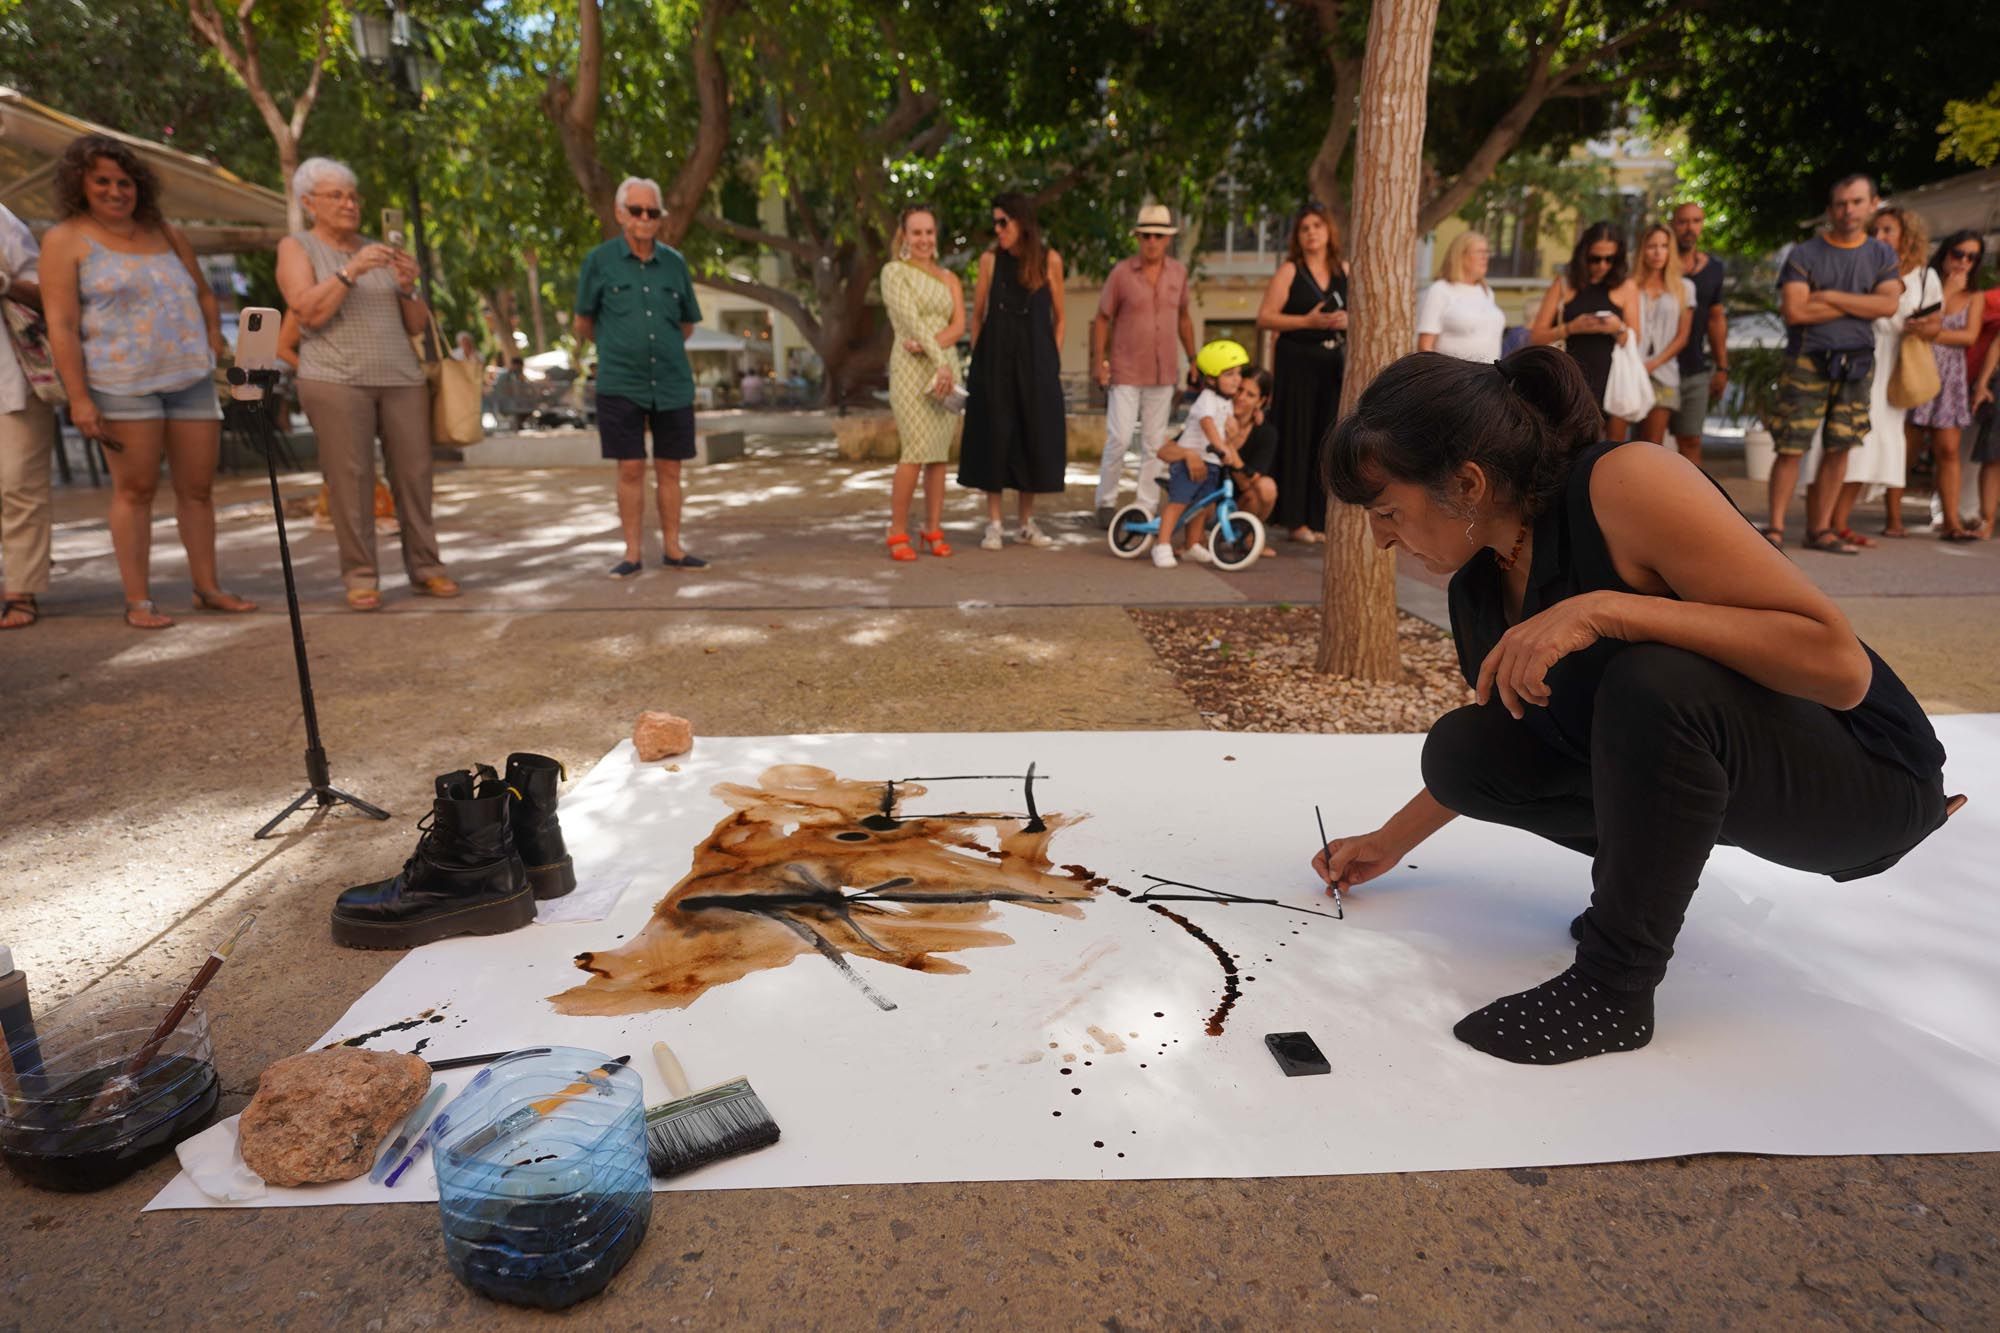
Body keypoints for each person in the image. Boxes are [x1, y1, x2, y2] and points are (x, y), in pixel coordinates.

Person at [1315, 346, 1951, 1065]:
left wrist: (1609, 609)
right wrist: (1388, 842)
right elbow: (1527, 736)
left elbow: (1837, 666)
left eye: (1388, 511)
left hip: (1866, 777)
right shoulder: (1479, 590)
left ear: (1465, 482)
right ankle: (1642, 888)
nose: (1379, 538)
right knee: (1466, 749)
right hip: (1741, 776)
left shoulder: (1623, 483)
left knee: (1651, 681)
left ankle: (1614, 987)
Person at [38, 134, 255, 629]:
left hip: (189, 380)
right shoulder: (64, 240)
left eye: (125, 181)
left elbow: (203, 294)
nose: (117, 191)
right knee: (135, 491)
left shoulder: (165, 231)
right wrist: (79, 399)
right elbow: (62, 327)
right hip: (121, 384)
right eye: (103, 182)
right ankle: (138, 600)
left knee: (198, 490)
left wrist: (211, 342)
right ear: (80, 183)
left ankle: (208, 588)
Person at [278, 157, 453, 611]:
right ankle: (361, 577)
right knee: (350, 480)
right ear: (309, 202)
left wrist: (409, 287)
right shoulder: (297, 248)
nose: (349, 204)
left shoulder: (382, 250)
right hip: (335, 379)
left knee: (415, 476)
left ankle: (427, 568)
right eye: (336, 195)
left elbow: (415, 326)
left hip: (400, 377)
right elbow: (307, 312)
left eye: (353, 196)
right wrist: (349, 271)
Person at [574, 175, 708, 575]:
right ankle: (632, 553)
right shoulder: (599, 261)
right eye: (637, 210)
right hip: (621, 383)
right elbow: (584, 323)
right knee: (630, 467)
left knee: (671, 467)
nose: (646, 218)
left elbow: (687, 324)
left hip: (671, 380)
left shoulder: (675, 263)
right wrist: (619, 344)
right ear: (621, 214)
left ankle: (673, 547)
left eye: (653, 211)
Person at [1763, 174, 1903, 553]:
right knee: (1791, 446)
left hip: (1857, 360)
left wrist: (1827, 296)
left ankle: (1820, 530)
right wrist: (1861, 301)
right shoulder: (1805, 254)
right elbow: (1795, 310)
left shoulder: (1882, 254)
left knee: (1840, 446)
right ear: (1830, 209)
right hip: (1808, 358)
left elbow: (1889, 304)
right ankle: (1774, 528)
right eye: (1841, 203)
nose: (1849, 210)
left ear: (1873, 204)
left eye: (1857, 202)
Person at [959, 191, 1067, 551]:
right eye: (995, 222)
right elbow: (977, 315)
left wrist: (1050, 360)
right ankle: (993, 523)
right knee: (994, 435)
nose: (998, 229)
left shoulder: (1050, 260)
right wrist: (980, 358)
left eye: (1004, 221)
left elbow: (1060, 317)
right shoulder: (990, 260)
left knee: (1031, 436)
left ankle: (1025, 522)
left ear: (1022, 222)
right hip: (996, 360)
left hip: (1036, 362)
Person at [1829, 206, 1935, 541]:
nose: (1880, 237)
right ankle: (1836, 521)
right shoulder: (1863, 266)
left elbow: (1937, 325)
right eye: (1877, 230)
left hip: (1897, 362)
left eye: (1888, 230)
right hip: (1861, 355)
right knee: (1858, 438)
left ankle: (1887, 518)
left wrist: (1921, 327)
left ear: (1906, 234)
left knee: (1887, 438)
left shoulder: (1923, 276)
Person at [1091, 204, 1195, 524]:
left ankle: (1146, 506)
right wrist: (1100, 362)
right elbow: (1102, 318)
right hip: (1125, 369)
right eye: (1147, 235)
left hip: (1163, 371)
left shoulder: (1178, 273)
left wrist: (1193, 359)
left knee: (1154, 443)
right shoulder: (1121, 273)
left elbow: (1184, 317)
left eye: (1159, 236)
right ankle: (1105, 503)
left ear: (1167, 240)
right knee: (1120, 438)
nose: (1152, 241)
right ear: (1138, 238)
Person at [1258, 202, 1349, 544]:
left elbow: (1361, 316)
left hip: (1332, 365)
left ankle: (1319, 518)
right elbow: (1265, 318)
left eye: (1317, 226)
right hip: (1295, 365)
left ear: (1329, 231)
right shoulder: (1289, 271)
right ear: (1298, 235)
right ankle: (1295, 521)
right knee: (1297, 437)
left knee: (1326, 439)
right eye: (1305, 227)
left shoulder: (1344, 270)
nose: (1312, 232)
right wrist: (1307, 322)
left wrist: (1347, 321)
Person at [879, 204, 964, 562]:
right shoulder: (894, 272)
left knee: (939, 456)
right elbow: (910, 322)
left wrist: (940, 356)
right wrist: (936, 356)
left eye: (929, 232)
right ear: (904, 236)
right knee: (914, 450)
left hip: (945, 367)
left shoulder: (949, 278)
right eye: (917, 233)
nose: (924, 239)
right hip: (911, 369)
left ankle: (932, 528)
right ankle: (897, 531)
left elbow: (960, 326)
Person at [1904, 230, 1986, 542]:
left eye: (1972, 257)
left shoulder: (1974, 296)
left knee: (1948, 450)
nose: (1964, 261)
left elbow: (1968, 337)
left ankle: (1951, 522)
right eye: (1959, 254)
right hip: (1918, 369)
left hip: (1950, 377)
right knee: (1907, 448)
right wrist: (1946, 291)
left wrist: (1930, 333)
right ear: (1946, 253)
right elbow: (1913, 321)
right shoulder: (1926, 283)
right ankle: (1893, 516)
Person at [1528, 222, 1640, 439]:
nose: (1602, 265)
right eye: (1595, 259)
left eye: (1610, 259)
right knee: (1574, 449)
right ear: (1583, 254)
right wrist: (1572, 327)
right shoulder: (1564, 284)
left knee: (1613, 454)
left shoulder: (1626, 287)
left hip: (1614, 380)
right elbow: (1536, 336)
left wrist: (1618, 328)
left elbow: (1635, 338)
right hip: (1573, 380)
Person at [0, 202, 53, 630]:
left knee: (20, 485)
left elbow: (46, 292)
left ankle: (21, 589)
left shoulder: (2, 220)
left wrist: (3, 282)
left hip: (13, 376)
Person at [1150, 339, 1248, 568]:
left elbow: (1225, 428)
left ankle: (1192, 544)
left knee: (1202, 507)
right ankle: (1162, 545)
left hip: (1211, 462)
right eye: (1230, 374)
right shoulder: (1207, 399)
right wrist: (1220, 446)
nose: (1237, 379)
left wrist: (1230, 439)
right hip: (1190, 461)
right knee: (1179, 502)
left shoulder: (1225, 402)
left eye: (1239, 373)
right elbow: (1207, 423)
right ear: (1212, 379)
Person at [1668, 202, 1730, 466]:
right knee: (1648, 441)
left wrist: (1722, 367)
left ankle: (1688, 501)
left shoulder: (1714, 268)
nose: (1689, 228)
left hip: (1694, 366)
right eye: (1683, 221)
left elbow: (1716, 319)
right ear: (1673, 224)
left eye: (1696, 221)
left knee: (1691, 440)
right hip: (1657, 365)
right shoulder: (1658, 264)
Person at [1631, 224, 1694, 446]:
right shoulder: (1629, 286)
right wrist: (1637, 365)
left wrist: (1653, 363)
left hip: (1664, 373)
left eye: (1664, 246)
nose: (1658, 252)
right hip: (1629, 371)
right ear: (1642, 250)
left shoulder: (1684, 288)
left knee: (1652, 443)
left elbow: (1683, 336)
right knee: (1618, 442)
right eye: (1651, 246)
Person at [1415, 231, 1506, 363]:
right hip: (1454, 379)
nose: (1485, 257)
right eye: (1479, 252)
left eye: (1487, 252)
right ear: (1460, 255)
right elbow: (1425, 346)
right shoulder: (1440, 289)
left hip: (1489, 377)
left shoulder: (1486, 291)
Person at [1228, 368, 1279, 552]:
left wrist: (1229, 444)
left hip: (1238, 501)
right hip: (1208, 500)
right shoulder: (1213, 418)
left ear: (1261, 401)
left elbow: (1246, 483)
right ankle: (1196, 539)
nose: (1241, 397)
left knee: (1266, 488)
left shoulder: (1266, 432)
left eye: (1250, 395)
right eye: (1240, 390)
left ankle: (1248, 538)